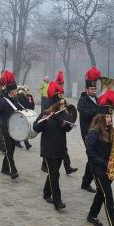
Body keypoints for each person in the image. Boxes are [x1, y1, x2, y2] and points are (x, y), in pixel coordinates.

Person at [86, 90, 114, 226]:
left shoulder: (112, 131)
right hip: (98, 169)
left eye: (111, 116)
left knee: (101, 194)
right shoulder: (94, 133)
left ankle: (91, 215)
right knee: (108, 198)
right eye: (107, 117)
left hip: (108, 170)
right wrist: (105, 162)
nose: (110, 119)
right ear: (101, 117)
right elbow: (90, 154)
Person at [33, 82, 72, 210]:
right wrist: (44, 119)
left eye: (63, 102)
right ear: (55, 103)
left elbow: (68, 128)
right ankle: (57, 201)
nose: (63, 104)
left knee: (53, 173)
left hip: (60, 149)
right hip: (48, 149)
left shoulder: (64, 114)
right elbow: (35, 127)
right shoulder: (46, 113)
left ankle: (46, 192)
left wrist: (58, 118)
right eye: (60, 102)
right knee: (55, 175)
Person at [0, 70, 23, 179]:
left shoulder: (16, 100)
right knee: (9, 150)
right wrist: (1, 122)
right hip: (6, 129)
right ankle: (13, 170)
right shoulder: (3, 101)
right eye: (15, 90)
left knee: (11, 149)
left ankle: (4, 168)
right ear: (10, 91)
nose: (17, 92)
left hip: (15, 129)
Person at [78, 67, 102, 193]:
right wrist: (96, 110)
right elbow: (84, 113)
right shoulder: (82, 100)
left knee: (92, 158)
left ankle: (86, 182)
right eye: (91, 89)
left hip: (96, 131)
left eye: (94, 89)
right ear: (86, 89)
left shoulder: (97, 99)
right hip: (87, 133)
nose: (93, 91)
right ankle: (86, 182)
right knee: (92, 157)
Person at [16, 86, 34, 150]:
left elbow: (29, 104)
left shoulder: (26, 96)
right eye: (24, 90)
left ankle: (18, 142)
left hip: (24, 114)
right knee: (23, 129)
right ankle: (26, 144)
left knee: (22, 129)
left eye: (26, 90)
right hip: (20, 114)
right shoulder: (19, 96)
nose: (26, 91)